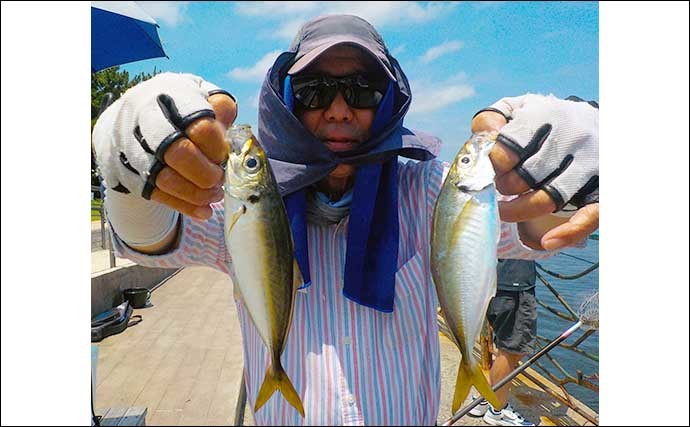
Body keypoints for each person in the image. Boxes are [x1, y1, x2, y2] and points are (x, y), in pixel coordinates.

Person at [92, 14, 599, 426]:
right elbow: (147, 239)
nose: (337, 110)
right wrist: (126, 180)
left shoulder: (429, 192)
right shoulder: (247, 201)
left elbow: (538, 227)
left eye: (361, 90)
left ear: (388, 103)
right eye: (314, 90)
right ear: (287, 100)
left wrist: (586, 157)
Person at [469, 259, 539, 426]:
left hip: (489, 279)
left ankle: (485, 397)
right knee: (511, 350)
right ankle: (497, 410)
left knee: (506, 346)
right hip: (513, 282)